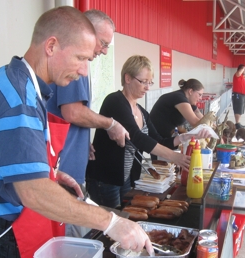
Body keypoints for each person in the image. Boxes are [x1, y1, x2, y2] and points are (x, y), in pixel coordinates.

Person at [0, 7, 153, 258]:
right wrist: (111, 222)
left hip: (17, 226)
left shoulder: (22, 84)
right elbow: (32, 191)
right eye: (81, 58)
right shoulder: (18, 97)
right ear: (51, 46)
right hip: (8, 235)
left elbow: (17, 161)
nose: (83, 71)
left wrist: (52, 174)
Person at [86, 55, 210, 208]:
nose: (147, 87)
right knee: (109, 225)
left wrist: (186, 136)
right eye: (143, 82)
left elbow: (159, 140)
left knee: (124, 217)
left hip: (126, 178)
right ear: (128, 78)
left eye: (149, 82)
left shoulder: (142, 112)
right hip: (105, 179)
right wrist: (173, 156)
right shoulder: (115, 101)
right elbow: (137, 137)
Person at [46, 9, 126, 237]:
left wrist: (82, 143)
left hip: (66, 174)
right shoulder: (73, 67)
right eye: (102, 43)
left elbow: (62, 118)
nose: (104, 50)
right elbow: (72, 111)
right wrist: (110, 124)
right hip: (63, 180)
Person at [232, 64, 245, 129]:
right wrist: (242, 68)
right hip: (238, 94)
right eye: (244, 69)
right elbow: (239, 72)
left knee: (240, 109)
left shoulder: (242, 76)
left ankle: (238, 122)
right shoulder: (237, 75)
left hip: (242, 95)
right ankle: (237, 123)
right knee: (238, 108)